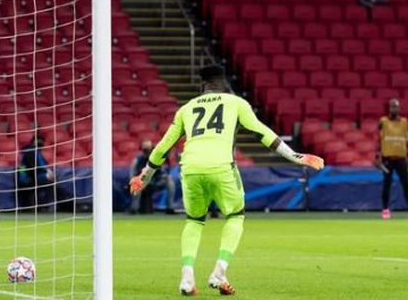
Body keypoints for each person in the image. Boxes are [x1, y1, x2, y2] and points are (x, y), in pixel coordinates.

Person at [129, 65, 324, 295]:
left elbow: (162, 146)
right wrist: (296, 157)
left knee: (194, 221)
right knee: (235, 216)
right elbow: (262, 132)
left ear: (203, 86)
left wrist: (145, 175)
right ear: (224, 84)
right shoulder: (236, 103)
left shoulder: (187, 108)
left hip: (190, 167)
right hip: (221, 166)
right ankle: (219, 271)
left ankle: (186, 278)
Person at [377, 98, 408, 219]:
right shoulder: (383, 122)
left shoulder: (404, 122)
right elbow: (379, 139)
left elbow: (406, 141)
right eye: (392, 107)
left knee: (406, 184)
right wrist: (377, 156)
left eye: (396, 107)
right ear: (389, 108)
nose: (395, 109)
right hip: (387, 158)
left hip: (401, 158)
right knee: (387, 184)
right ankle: (385, 209)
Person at [129, 140, 176, 215]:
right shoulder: (137, 160)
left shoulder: (158, 157)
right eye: (145, 150)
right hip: (143, 183)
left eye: (148, 149)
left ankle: (170, 208)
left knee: (169, 181)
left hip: (157, 182)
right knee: (136, 183)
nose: (147, 152)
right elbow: (132, 174)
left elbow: (165, 170)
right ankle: (134, 208)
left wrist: (164, 176)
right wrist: (134, 180)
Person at [16, 134, 55, 212]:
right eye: (40, 141)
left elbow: (43, 166)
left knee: (54, 183)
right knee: (51, 183)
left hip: (35, 176)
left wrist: (48, 171)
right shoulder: (30, 152)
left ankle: (45, 205)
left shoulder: (37, 152)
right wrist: (46, 173)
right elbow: (31, 168)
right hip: (29, 178)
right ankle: (43, 206)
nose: (42, 144)